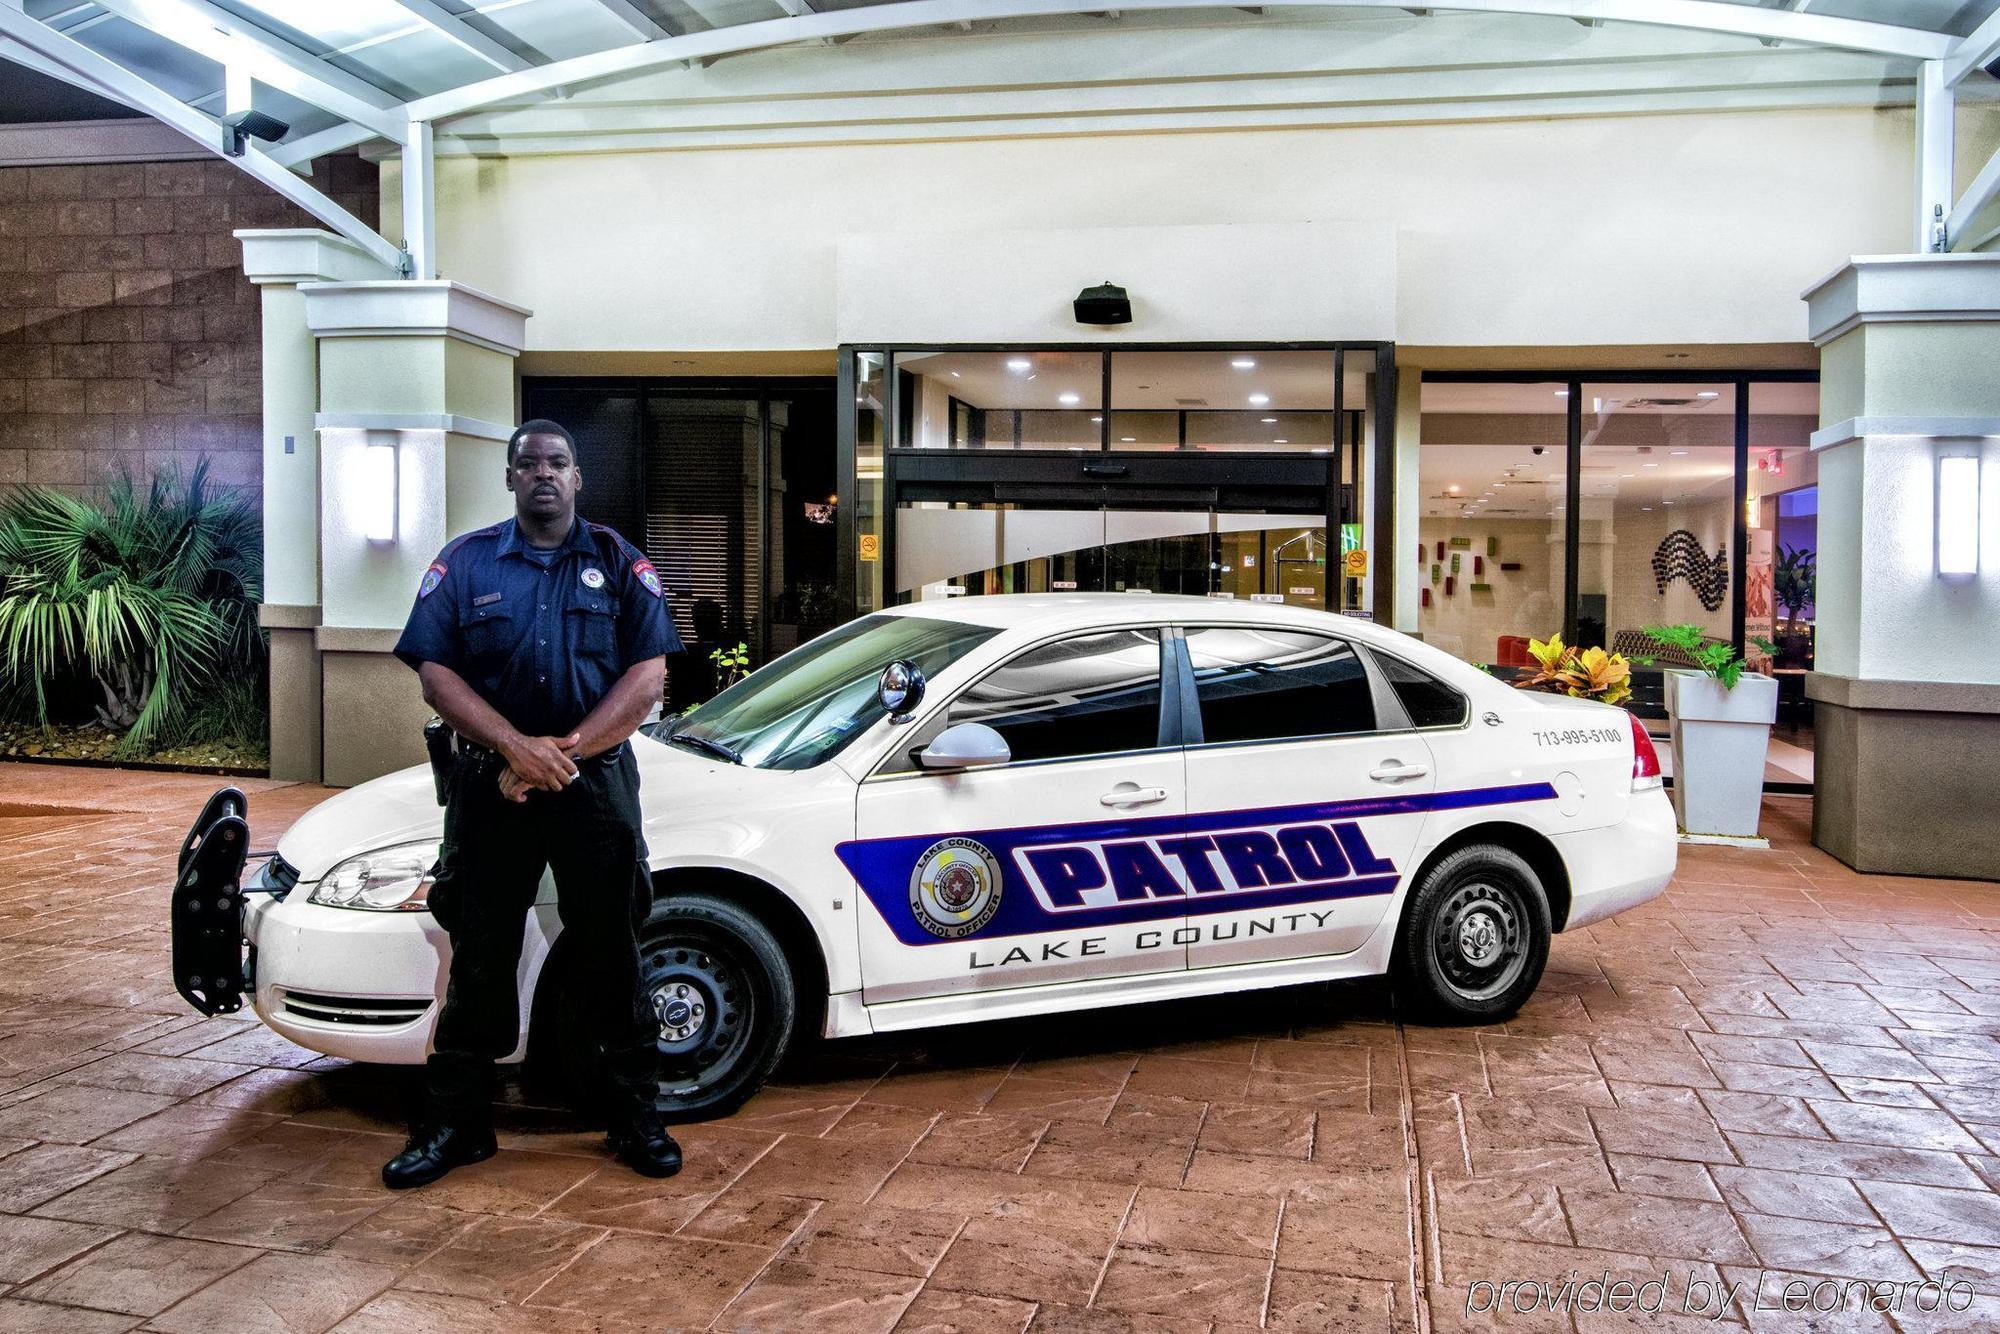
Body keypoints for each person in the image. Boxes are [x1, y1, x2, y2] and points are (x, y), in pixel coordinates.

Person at [385, 418, 684, 1189]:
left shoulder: (619, 563)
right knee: (480, 952)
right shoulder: (466, 562)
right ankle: (457, 1125)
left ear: (577, 478)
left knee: (611, 950)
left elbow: (646, 681)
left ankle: (634, 1117)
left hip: (596, 784)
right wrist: (514, 750)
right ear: (511, 477)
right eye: (529, 464)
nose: (544, 474)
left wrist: (557, 755)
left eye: (558, 463)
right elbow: (435, 674)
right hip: (493, 788)